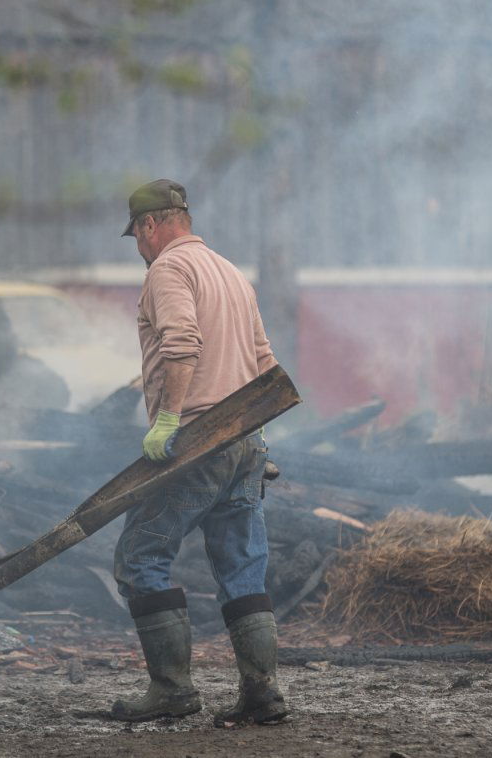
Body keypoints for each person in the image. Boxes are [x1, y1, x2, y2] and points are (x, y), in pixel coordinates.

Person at [109, 179, 287, 725]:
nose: (140, 249)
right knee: (242, 569)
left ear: (149, 224)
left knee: (140, 557)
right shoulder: (230, 272)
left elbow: (182, 342)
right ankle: (262, 694)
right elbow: (264, 361)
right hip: (245, 440)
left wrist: (169, 420)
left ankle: (172, 690)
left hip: (198, 440)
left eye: (137, 236)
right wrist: (259, 439)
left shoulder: (168, 269)